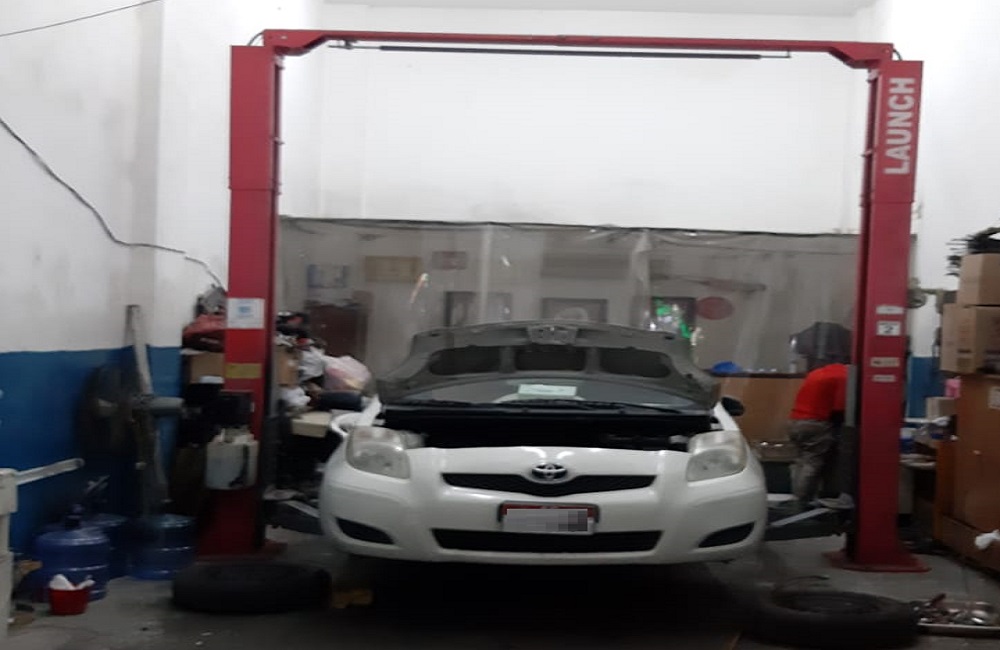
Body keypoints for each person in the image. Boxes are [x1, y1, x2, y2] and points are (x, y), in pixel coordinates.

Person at [788, 358, 849, 506]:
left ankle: (797, 495)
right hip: (815, 423)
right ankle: (802, 500)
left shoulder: (816, 373)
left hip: (795, 421)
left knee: (801, 460)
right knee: (812, 462)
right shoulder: (844, 376)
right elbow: (840, 407)